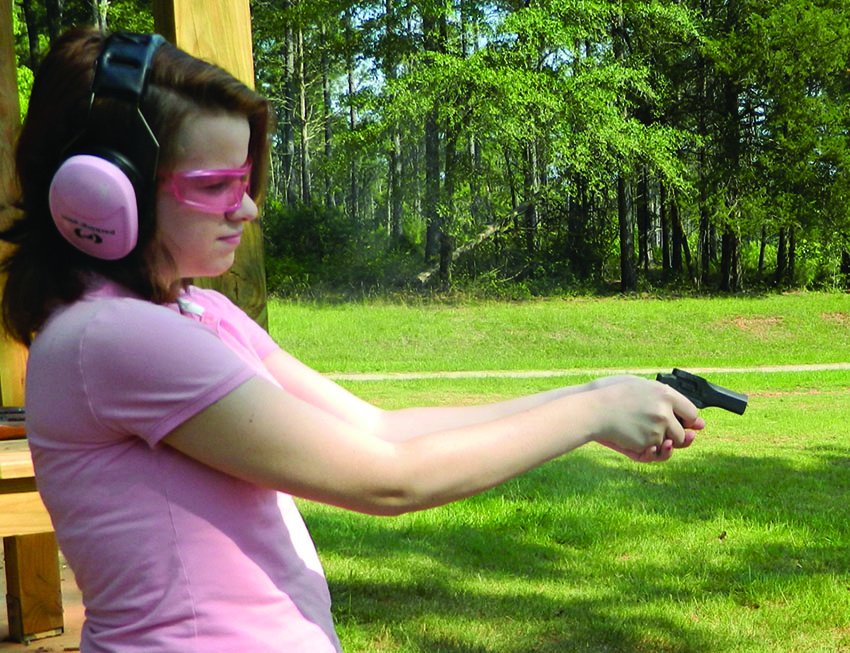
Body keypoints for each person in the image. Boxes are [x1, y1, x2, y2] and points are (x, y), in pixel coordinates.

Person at [0, 27, 703, 653]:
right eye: (215, 184)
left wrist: (596, 392)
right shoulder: (113, 337)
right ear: (99, 194)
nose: (245, 208)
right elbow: (386, 478)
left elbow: (379, 426)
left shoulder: (194, 311)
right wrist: (590, 415)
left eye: (244, 181)